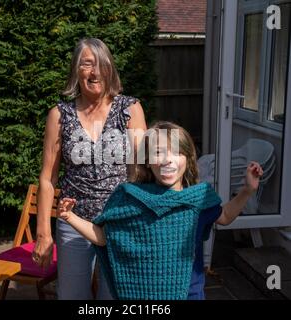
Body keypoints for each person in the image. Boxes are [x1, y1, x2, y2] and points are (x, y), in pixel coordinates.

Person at [57, 121, 263, 300]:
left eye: (176, 152)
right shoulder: (128, 197)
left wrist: (247, 190)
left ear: (188, 159)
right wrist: (70, 217)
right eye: (158, 153)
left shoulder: (199, 199)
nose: (167, 159)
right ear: (147, 160)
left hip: (190, 294)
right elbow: (104, 237)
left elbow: (225, 216)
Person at [32, 38, 147, 300]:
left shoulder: (129, 109)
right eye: (87, 64)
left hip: (118, 222)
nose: (94, 72)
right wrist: (43, 233)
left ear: (110, 70)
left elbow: (142, 171)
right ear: (76, 70)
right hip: (73, 221)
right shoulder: (59, 115)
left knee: (115, 297)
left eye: (101, 65)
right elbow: (48, 179)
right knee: (71, 296)